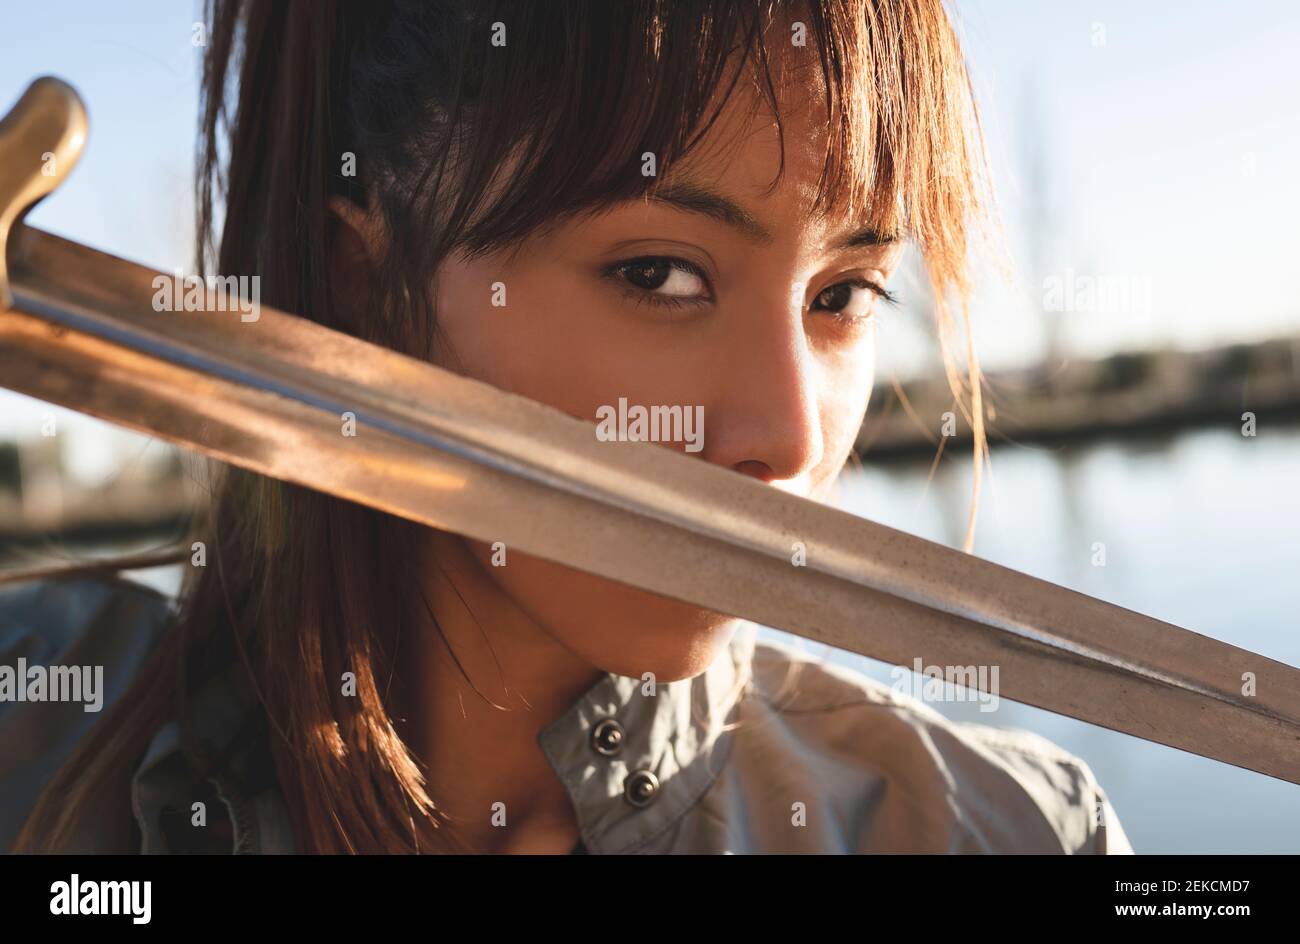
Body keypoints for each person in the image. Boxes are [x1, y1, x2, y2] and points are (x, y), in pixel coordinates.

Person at [3, 0, 1133, 854]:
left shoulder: (1004, 829)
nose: (789, 436)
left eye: (843, 295)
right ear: (369, 285)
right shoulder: (38, 716)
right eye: (658, 272)